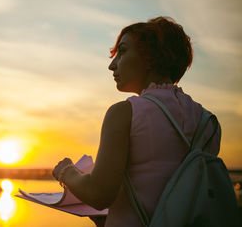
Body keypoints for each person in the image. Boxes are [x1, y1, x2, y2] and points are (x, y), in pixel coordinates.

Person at [52, 16, 221, 227]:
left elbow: (99, 194)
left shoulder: (124, 113)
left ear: (150, 57)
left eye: (122, 52)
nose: (112, 66)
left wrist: (67, 172)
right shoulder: (209, 124)